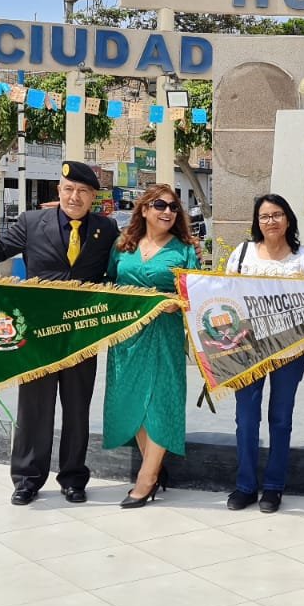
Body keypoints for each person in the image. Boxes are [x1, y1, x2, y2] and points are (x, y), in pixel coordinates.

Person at [0, 160, 119, 505]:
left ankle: (73, 477)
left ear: (93, 197)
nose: (75, 197)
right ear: (58, 191)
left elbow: (127, 262)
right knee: (34, 407)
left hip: (80, 333)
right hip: (39, 333)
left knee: (77, 408)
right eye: (69, 190)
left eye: (84, 191)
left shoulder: (106, 231)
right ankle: (28, 478)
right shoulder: (32, 223)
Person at [103, 183, 199, 508]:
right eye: (160, 205)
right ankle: (154, 468)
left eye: (173, 208)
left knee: (160, 401)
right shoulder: (123, 245)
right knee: (133, 402)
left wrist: (177, 301)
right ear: (144, 209)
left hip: (163, 334)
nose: (168, 212)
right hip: (127, 336)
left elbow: (194, 292)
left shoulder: (184, 250)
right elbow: (109, 283)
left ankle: (145, 481)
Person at [223, 193, 304, 513]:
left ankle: (274, 487)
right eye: (264, 217)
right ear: (257, 222)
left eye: (277, 215)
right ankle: (245, 486)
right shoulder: (242, 254)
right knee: (246, 419)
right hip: (248, 348)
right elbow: (224, 295)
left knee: (280, 419)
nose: (271, 221)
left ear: (288, 218)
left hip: (289, 352)